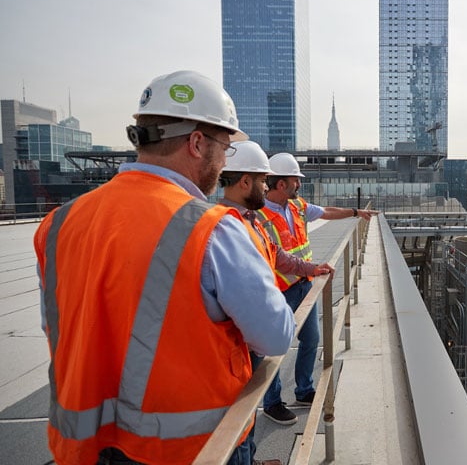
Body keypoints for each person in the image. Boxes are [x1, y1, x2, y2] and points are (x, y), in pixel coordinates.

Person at [32, 71, 295, 465]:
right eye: (224, 146)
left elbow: (58, 323)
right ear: (196, 143)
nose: (224, 162)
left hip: (85, 445)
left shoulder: (59, 223)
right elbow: (275, 336)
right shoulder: (211, 229)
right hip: (187, 450)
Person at [253, 152, 377, 425]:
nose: (300, 184)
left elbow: (327, 212)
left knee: (311, 339)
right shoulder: (258, 216)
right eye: (296, 180)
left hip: (305, 286)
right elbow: (276, 259)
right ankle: (272, 402)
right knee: (275, 348)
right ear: (281, 184)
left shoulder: (296, 207)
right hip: (278, 292)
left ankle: (304, 390)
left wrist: (356, 213)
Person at [217, 140, 335, 426]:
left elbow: (278, 254)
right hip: (245, 334)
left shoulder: (251, 220)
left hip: (273, 308)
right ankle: (269, 408)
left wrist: (311, 268)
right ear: (246, 181)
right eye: (262, 180)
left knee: (253, 386)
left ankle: (251, 452)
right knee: (250, 387)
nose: (266, 187)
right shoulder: (225, 226)